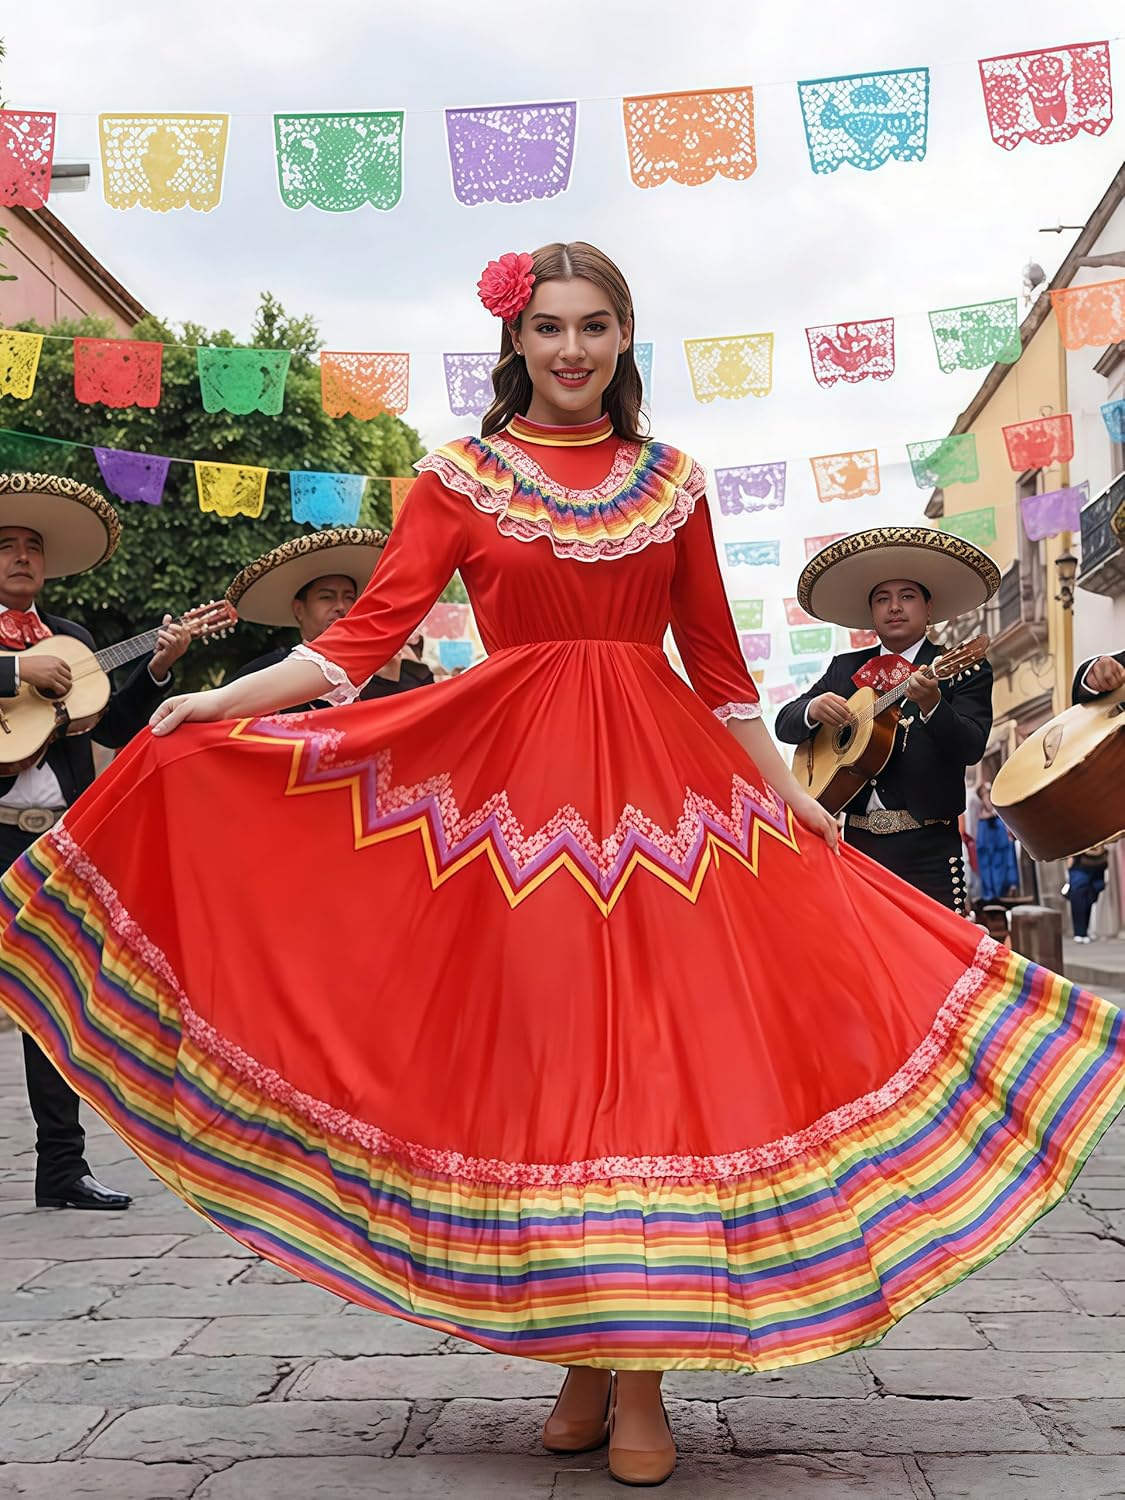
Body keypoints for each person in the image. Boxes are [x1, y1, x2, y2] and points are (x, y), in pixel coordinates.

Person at [0, 247, 1120, 1490]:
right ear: (518, 342)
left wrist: (792, 799)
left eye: (594, 327)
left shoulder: (673, 481)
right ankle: (583, 1356)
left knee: (652, 1067)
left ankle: (637, 1375)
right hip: (510, 814)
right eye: (550, 328)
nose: (572, 349)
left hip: (672, 805)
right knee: (553, 1069)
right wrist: (224, 705)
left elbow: (721, 671)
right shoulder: (460, 476)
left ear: (625, 336)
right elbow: (361, 643)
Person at [0, 471, 190, 1210]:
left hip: (54, 844)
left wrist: (159, 667)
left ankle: (61, 1169)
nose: (22, 556)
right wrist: (15, 669)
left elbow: (115, 727)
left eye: (32, 547)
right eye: (6, 544)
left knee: (52, 1002)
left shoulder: (74, 640)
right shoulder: (33, 653)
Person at [775, 535, 997, 913]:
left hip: (930, 850)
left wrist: (933, 706)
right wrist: (812, 708)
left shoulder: (962, 668)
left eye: (907, 596)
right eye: (882, 599)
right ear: (872, 612)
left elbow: (971, 746)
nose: (894, 607)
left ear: (929, 607)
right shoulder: (845, 669)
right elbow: (784, 724)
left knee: (935, 949)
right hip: (859, 848)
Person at [226, 528, 432, 708]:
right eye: (326, 597)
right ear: (299, 609)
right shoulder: (265, 672)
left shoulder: (397, 677)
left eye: (349, 597)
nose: (341, 607)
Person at [972, 782, 1019, 904]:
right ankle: (990, 894)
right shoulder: (980, 815)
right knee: (986, 860)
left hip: (997, 830)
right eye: (984, 794)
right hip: (986, 831)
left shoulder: (999, 817)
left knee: (1000, 859)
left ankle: (1001, 891)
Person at [1067, 845, 1110, 943]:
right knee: (1080, 899)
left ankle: (1083, 932)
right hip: (1082, 866)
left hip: (1095, 865)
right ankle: (1080, 932)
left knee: (1088, 898)